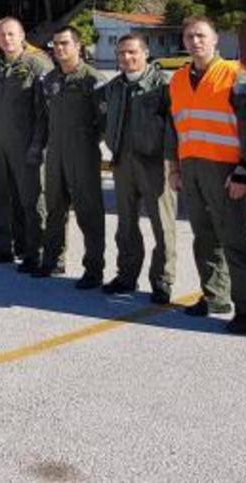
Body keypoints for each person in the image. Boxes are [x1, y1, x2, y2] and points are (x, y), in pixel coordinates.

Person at [165, 16, 246, 334]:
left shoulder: (235, 74)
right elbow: (175, 127)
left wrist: (243, 170)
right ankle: (215, 296)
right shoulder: (178, 79)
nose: (195, 41)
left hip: (225, 169)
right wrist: (175, 168)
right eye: (190, 36)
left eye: (201, 36)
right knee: (204, 237)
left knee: (234, 239)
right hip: (191, 168)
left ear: (216, 40)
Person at [98, 34, 176, 304]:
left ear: (146, 53)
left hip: (156, 164)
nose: (126, 58)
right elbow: (98, 115)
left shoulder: (163, 85)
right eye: (121, 53)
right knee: (126, 224)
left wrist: (173, 163)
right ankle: (126, 275)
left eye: (132, 52)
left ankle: (162, 281)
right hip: (122, 162)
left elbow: (175, 126)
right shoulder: (114, 87)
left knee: (162, 227)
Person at [29, 26, 105, 288]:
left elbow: (104, 122)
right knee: (55, 209)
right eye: (56, 45)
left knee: (88, 213)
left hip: (82, 154)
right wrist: (37, 147)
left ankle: (94, 269)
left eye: (65, 44)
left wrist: (88, 143)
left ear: (78, 46)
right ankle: (52, 260)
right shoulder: (49, 80)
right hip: (55, 154)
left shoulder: (92, 80)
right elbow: (42, 118)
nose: (59, 49)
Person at [0, 17, 52, 271]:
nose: (6, 39)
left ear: (22, 36)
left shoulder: (36, 64)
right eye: (0, 35)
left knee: (31, 199)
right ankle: (0, 248)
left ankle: (35, 252)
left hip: (25, 141)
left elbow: (44, 111)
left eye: (11, 34)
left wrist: (38, 145)